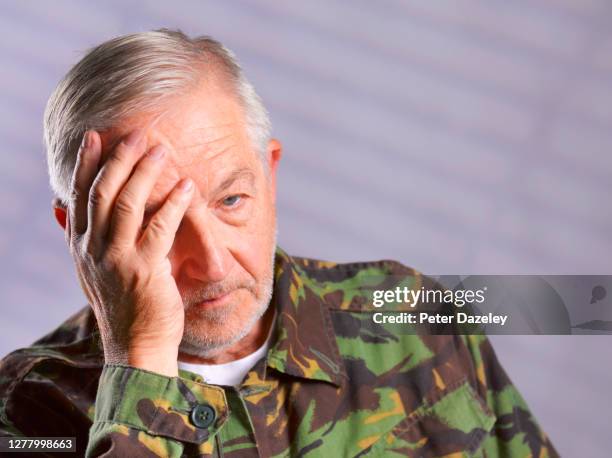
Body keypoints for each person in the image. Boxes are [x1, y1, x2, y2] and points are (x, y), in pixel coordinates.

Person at [0, 29, 558, 457]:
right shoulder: (24, 407)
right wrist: (141, 361)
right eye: (156, 225)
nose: (213, 263)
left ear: (270, 175)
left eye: (231, 200)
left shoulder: (413, 307)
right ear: (80, 237)